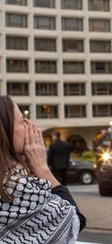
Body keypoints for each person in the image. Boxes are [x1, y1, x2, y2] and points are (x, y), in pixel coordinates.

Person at [0, 95, 86, 243]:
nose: (29, 125)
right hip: (61, 169)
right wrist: (42, 168)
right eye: (22, 120)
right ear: (5, 132)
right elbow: (74, 221)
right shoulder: (14, 187)